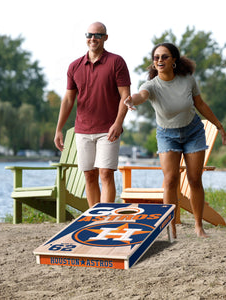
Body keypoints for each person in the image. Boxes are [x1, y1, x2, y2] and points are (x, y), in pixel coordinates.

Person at [124, 43, 226, 238]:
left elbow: (200, 104)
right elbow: (141, 96)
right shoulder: (151, 85)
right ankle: (170, 227)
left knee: (194, 179)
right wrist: (131, 100)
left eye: (164, 57)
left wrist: (218, 125)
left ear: (173, 60)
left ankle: (198, 226)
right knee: (170, 180)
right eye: (156, 58)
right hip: (167, 135)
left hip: (193, 132)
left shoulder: (187, 80)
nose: (160, 60)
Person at [54, 22, 131, 208]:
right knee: (89, 175)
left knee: (105, 173)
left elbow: (125, 96)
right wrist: (58, 130)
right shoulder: (75, 66)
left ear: (105, 37)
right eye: (89, 34)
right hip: (83, 130)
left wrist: (118, 123)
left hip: (108, 129)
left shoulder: (116, 62)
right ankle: (94, 220)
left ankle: (106, 218)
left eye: (98, 35)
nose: (93, 38)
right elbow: (68, 100)